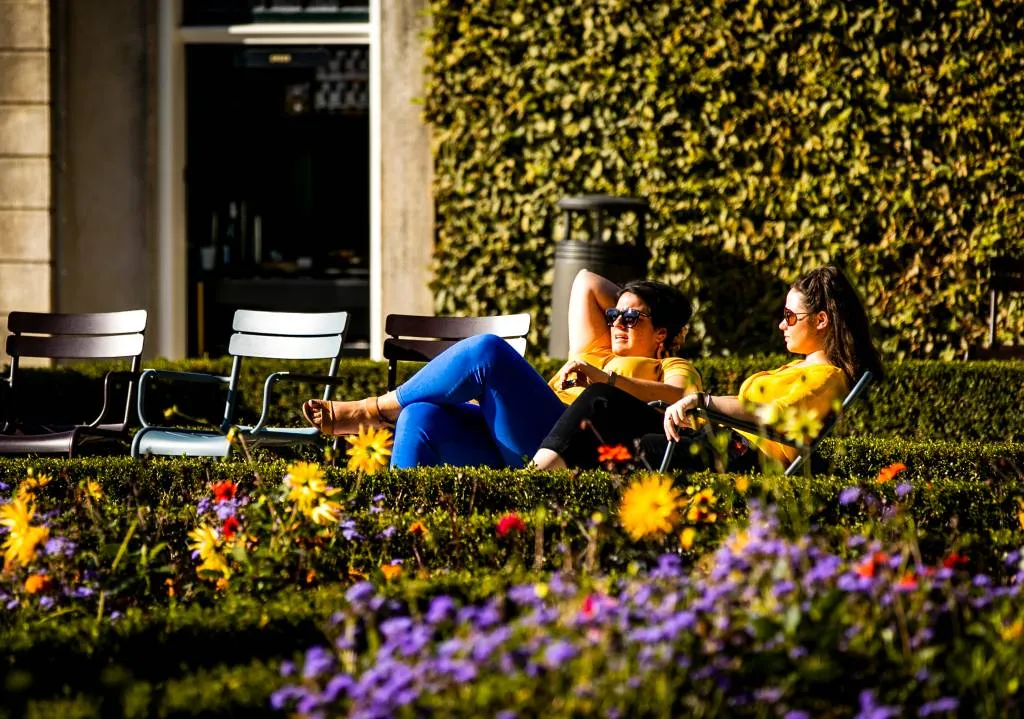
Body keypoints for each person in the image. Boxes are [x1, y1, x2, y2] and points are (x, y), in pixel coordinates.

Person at [301, 270, 701, 468]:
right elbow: (584, 281)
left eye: (631, 320)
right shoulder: (596, 347)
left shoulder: (668, 363)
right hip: (516, 438)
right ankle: (394, 526)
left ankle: (371, 410)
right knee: (420, 415)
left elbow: (680, 398)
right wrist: (638, 305)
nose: (616, 322)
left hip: (567, 443)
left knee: (488, 351)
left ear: (661, 334)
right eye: (614, 314)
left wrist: (606, 379)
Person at [534, 264, 883, 472]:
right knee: (604, 405)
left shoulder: (826, 377)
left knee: (601, 403)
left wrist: (702, 401)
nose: (782, 325)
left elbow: (774, 414)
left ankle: (534, 479)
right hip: (712, 440)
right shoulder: (797, 369)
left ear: (821, 320)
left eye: (791, 316)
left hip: (735, 454)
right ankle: (542, 477)